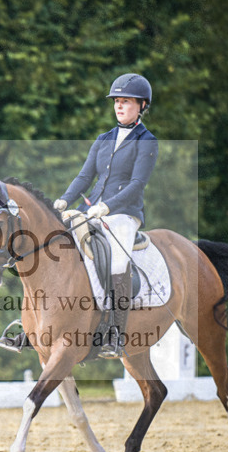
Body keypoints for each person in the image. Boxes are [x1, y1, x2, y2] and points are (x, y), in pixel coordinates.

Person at [54, 73, 158, 358]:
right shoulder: (103, 139)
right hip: (93, 211)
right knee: (55, 245)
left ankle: (115, 334)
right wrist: (63, 200)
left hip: (124, 214)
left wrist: (108, 207)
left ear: (141, 105)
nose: (119, 106)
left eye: (125, 102)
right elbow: (85, 176)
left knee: (118, 260)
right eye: (117, 101)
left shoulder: (147, 141)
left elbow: (137, 184)